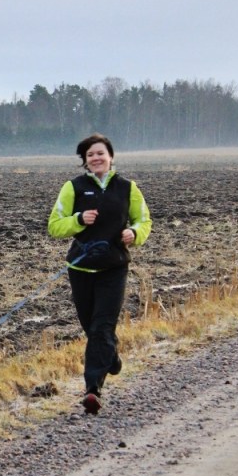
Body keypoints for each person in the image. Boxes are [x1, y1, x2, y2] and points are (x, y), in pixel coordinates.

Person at [48, 133, 152, 415]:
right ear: (85, 161)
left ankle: (92, 389)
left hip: (113, 268)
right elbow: (54, 226)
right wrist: (79, 220)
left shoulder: (128, 188)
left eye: (100, 153)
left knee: (101, 327)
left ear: (111, 157)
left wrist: (135, 233)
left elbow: (144, 221)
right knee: (90, 326)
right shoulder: (73, 188)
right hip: (80, 268)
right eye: (90, 155)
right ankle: (111, 357)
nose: (96, 158)